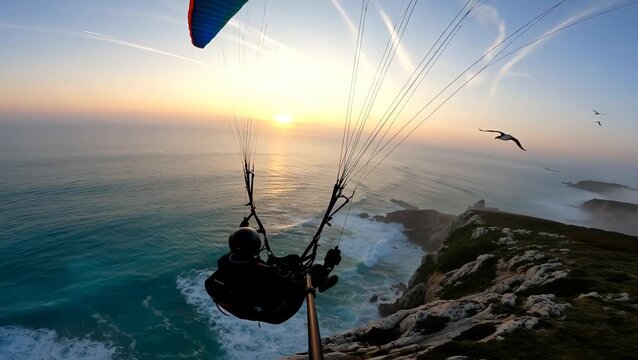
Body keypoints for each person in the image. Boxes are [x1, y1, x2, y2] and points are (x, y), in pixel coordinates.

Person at [205, 227, 341, 324]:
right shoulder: (265, 273)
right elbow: (301, 288)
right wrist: (328, 264)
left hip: (245, 303)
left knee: (293, 259)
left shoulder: (225, 260)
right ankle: (323, 282)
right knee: (313, 270)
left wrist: (242, 232)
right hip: (276, 314)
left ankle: (319, 278)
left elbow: (249, 265)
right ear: (257, 247)